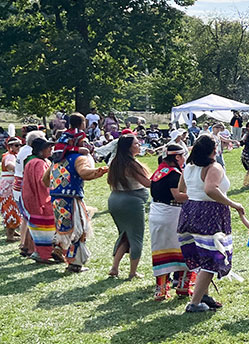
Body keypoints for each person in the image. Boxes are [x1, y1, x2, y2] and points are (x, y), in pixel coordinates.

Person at [177, 135, 247, 313]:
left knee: (201, 255)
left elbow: (181, 190)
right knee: (211, 257)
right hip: (210, 213)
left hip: (189, 211)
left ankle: (203, 295)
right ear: (214, 149)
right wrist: (233, 204)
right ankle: (194, 303)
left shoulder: (189, 166)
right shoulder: (214, 167)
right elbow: (210, 189)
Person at [49, 117, 107, 273]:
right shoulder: (79, 158)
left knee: (63, 226)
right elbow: (84, 173)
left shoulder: (56, 161)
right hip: (72, 198)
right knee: (79, 229)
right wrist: (99, 171)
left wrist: (57, 188)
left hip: (56, 199)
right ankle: (75, 263)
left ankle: (59, 247)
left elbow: (44, 180)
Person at [149, 143, 192, 300]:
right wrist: (197, 195)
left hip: (157, 214)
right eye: (183, 156)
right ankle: (182, 287)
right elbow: (178, 196)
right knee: (187, 248)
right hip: (171, 215)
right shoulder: (174, 174)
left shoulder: (159, 172)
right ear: (177, 157)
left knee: (161, 250)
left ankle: (160, 290)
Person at [106, 134, 151, 279]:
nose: (139, 145)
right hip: (131, 202)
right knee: (136, 236)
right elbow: (147, 183)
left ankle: (114, 267)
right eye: (136, 144)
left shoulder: (115, 162)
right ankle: (132, 272)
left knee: (124, 234)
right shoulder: (132, 164)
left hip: (115, 200)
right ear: (129, 147)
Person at [22, 138, 56, 263]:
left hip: (32, 199)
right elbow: (43, 183)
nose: (51, 149)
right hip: (40, 200)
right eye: (48, 147)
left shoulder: (35, 161)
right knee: (45, 227)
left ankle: (39, 252)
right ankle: (44, 255)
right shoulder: (39, 163)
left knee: (38, 226)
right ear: (41, 150)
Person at [1, 137, 21, 242]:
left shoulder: (12, 155)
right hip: (8, 187)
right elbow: (9, 165)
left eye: (20, 145)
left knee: (13, 208)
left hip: (9, 186)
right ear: (10, 147)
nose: (19, 147)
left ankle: (12, 232)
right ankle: (10, 236)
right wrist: (19, 169)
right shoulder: (9, 156)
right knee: (11, 209)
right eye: (16, 145)